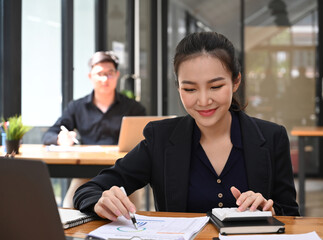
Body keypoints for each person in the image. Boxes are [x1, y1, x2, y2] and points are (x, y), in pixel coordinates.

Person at [74, 32, 299, 221]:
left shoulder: (272, 137)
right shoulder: (160, 139)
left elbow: (290, 215)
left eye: (216, 86)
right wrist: (101, 200)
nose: (203, 100)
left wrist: (271, 214)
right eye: (190, 89)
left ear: (236, 81)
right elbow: (88, 191)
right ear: (178, 87)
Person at [43, 51, 146, 208]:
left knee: (132, 212)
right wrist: (60, 138)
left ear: (117, 75)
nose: (105, 79)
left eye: (110, 73)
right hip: (86, 173)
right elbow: (49, 134)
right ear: (90, 76)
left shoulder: (133, 108)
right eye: (100, 74)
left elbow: (145, 141)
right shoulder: (77, 107)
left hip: (124, 173)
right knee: (70, 205)